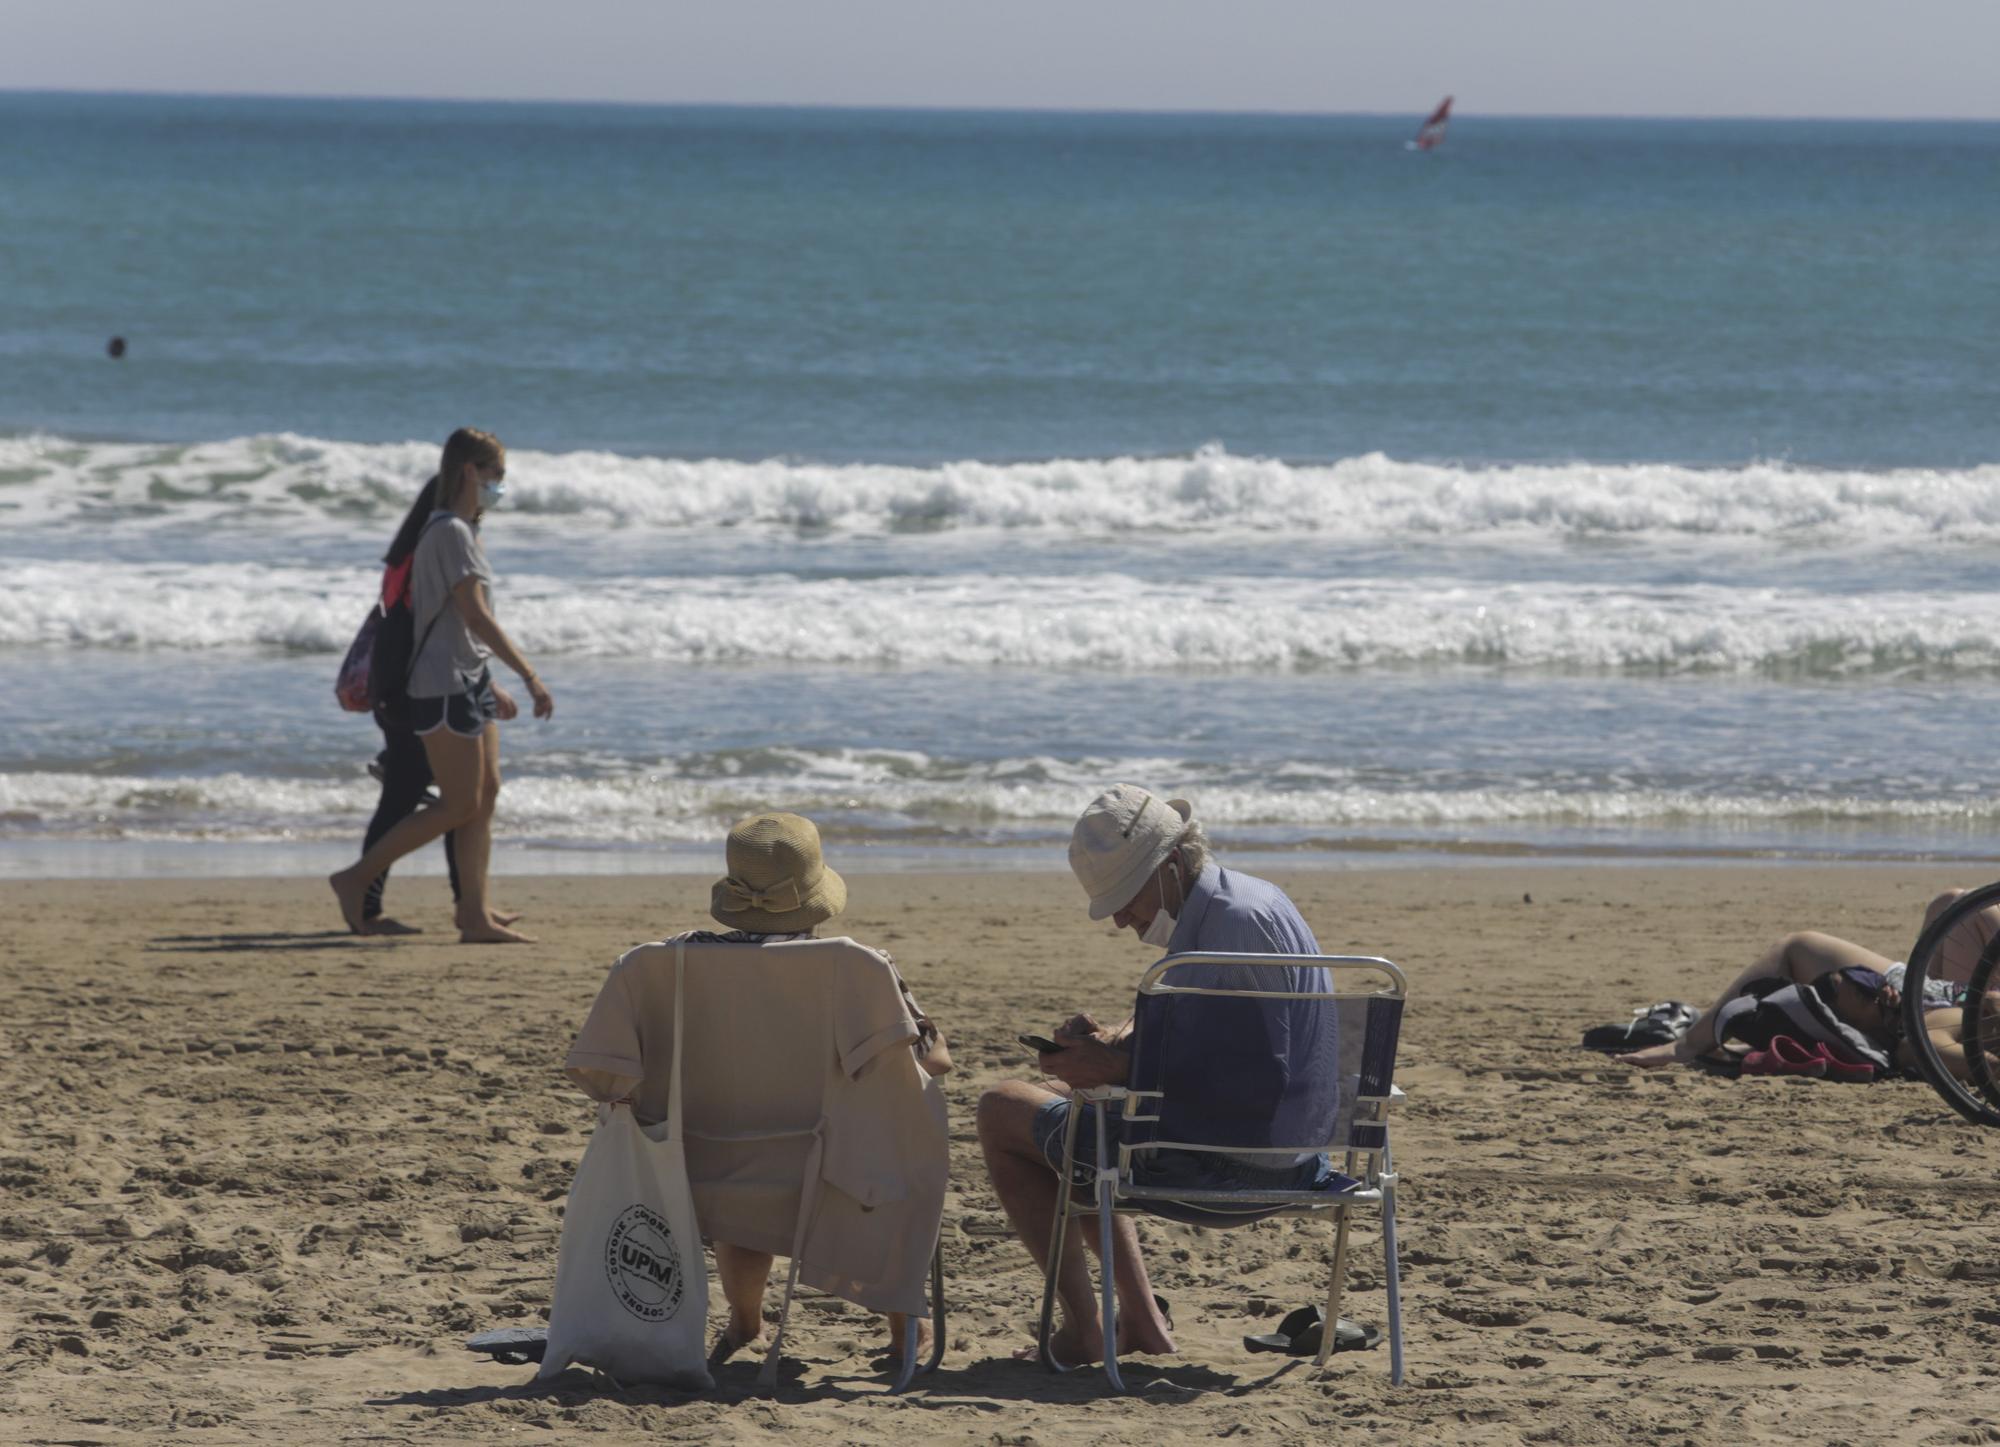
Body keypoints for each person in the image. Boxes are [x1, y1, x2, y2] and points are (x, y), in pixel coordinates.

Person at [976, 784, 1337, 1367]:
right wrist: (1113, 1043)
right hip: (1298, 1151)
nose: (1119, 919)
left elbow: (1254, 1081)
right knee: (1061, 1097)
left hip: (1232, 1167)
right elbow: (1222, 1038)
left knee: (1000, 1110)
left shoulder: (1228, 934)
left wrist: (1120, 1066)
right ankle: (1143, 1322)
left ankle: (1086, 1328)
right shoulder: (1241, 900)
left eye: (1124, 897)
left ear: (1170, 865)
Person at [680, 812, 953, 1368]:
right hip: (838, 1163)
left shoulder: (685, 959)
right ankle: (907, 1332)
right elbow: (936, 1061)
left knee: (750, 1147)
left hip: (722, 1157)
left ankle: (745, 1320)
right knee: (894, 1127)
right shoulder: (857, 967)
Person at [329, 428, 553, 943]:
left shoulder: (461, 530)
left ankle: (474, 913)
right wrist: (530, 675)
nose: (500, 487)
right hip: (442, 685)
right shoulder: (449, 531)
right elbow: (474, 615)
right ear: (471, 473)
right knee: (458, 804)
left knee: (485, 794)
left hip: (469, 678)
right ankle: (355, 879)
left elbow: (457, 622)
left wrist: (490, 679)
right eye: (496, 476)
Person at [1616, 888, 1999, 1081]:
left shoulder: (1899, 999)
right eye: (1866, 991)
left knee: (1952, 902)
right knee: (1964, 907)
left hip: (1938, 988)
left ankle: (1689, 1043)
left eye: (1863, 981)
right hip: (1955, 1004)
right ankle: (1689, 1045)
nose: (1877, 986)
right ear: (1858, 1026)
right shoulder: (1922, 1040)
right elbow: (1988, 1071)